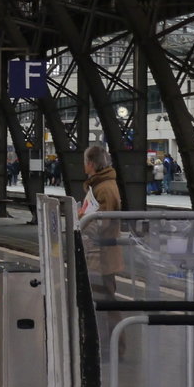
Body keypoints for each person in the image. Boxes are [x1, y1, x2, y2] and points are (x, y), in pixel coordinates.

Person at [79, 145, 124, 358]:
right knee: (101, 299)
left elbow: (104, 221)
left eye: (85, 161)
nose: (83, 165)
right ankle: (105, 345)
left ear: (91, 163)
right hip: (96, 253)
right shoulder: (98, 185)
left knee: (106, 300)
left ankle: (113, 347)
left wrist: (83, 222)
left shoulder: (105, 187)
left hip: (103, 254)